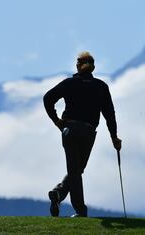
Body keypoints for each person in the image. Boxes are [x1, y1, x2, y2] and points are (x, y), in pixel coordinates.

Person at [43, 51, 122, 217]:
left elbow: (47, 98)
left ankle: (59, 194)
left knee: (75, 170)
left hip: (69, 130)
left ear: (79, 66)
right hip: (88, 131)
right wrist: (114, 136)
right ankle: (80, 210)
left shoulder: (69, 83)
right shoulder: (101, 86)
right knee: (76, 170)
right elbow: (109, 114)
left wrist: (56, 120)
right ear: (93, 67)